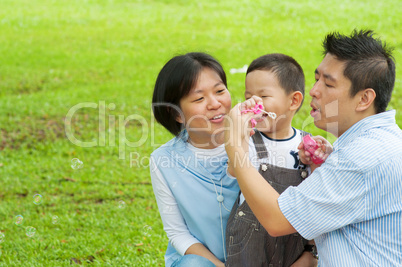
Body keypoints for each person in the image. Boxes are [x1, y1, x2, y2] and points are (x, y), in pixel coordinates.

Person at [224, 29, 402, 266]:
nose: (314, 90)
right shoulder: (378, 142)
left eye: (328, 83)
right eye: (317, 78)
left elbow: (277, 220)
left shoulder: (360, 159)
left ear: (364, 99)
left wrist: (235, 147)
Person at [225, 54, 319, 267]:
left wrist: (318, 160)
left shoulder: (306, 145)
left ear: (293, 101)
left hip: (293, 246)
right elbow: (233, 169)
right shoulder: (247, 138)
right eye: (248, 96)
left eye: (263, 96)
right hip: (247, 247)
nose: (254, 102)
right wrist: (236, 132)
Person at [150, 52, 239, 267]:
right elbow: (177, 233)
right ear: (177, 114)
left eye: (220, 91)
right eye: (199, 98)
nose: (215, 103)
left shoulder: (253, 142)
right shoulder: (164, 160)